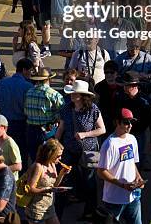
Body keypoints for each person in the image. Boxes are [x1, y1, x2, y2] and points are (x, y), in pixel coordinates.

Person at [56, 79, 105, 219]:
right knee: (64, 178)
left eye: (75, 93)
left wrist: (85, 134)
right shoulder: (66, 108)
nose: (72, 95)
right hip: (69, 149)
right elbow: (61, 128)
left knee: (89, 182)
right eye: (71, 92)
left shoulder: (93, 109)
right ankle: (58, 213)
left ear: (83, 96)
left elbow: (102, 129)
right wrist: (54, 143)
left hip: (89, 150)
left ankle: (90, 211)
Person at [97, 108, 145, 224]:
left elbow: (131, 162)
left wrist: (138, 177)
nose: (129, 125)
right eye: (126, 122)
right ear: (117, 122)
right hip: (114, 199)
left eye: (131, 122)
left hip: (133, 196)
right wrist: (122, 185)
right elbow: (101, 171)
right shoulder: (109, 144)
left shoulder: (132, 139)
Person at [0, 58, 34, 164]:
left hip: (3, 122)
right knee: (20, 153)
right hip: (21, 124)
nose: (31, 73)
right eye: (30, 71)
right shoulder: (28, 86)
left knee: (2, 152)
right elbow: (29, 107)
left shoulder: (3, 82)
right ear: (24, 70)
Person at [116, 71, 151, 169]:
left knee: (137, 159)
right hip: (124, 134)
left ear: (134, 86)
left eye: (126, 86)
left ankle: (137, 178)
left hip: (139, 134)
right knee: (126, 161)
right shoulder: (121, 98)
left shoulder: (145, 101)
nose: (124, 88)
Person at [23, 68, 64, 162]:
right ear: (49, 79)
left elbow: (25, 111)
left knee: (35, 158)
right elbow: (63, 113)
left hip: (31, 130)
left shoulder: (29, 92)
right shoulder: (53, 94)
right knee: (47, 159)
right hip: (47, 130)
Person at [24, 139, 67, 224]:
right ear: (50, 154)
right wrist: (48, 190)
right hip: (37, 210)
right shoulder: (38, 167)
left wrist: (62, 173)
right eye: (58, 156)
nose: (60, 158)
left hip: (49, 208)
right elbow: (30, 189)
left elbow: (54, 185)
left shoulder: (52, 164)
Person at [0, 115, 22, 179]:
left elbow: (18, 166)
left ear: (5, 128)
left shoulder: (10, 143)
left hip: (9, 180)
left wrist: (0, 169)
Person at [94, 60, 120, 135]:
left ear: (117, 73)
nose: (109, 75)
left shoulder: (122, 86)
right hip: (104, 123)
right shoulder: (99, 87)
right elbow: (96, 105)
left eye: (112, 72)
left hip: (119, 123)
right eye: (106, 72)